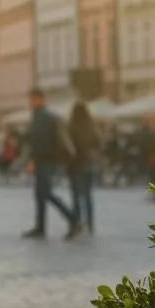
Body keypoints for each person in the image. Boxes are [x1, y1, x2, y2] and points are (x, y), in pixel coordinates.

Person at [22, 88, 81, 239]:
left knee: (46, 193)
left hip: (46, 161)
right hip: (46, 160)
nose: (30, 102)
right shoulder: (39, 116)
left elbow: (42, 142)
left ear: (40, 99)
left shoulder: (43, 117)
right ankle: (40, 227)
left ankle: (73, 219)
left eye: (32, 99)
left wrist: (33, 160)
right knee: (40, 195)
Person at [67, 100, 100, 236]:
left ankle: (77, 223)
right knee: (88, 195)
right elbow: (98, 144)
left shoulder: (71, 128)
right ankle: (90, 224)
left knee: (76, 197)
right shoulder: (91, 127)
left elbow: (69, 147)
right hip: (90, 164)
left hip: (76, 164)